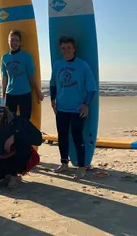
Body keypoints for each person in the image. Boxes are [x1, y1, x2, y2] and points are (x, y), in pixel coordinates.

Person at [49, 36, 97, 179]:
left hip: (77, 109)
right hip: (61, 108)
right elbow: (52, 84)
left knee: (77, 136)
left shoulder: (82, 65)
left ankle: (81, 167)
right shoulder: (58, 64)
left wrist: (86, 104)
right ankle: (64, 163)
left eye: (69, 47)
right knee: (62, 136)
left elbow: (92, 88)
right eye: (63, 48)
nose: (66, 51)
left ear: (74, 48)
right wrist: (52, 99)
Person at [0, 96, 43, 189]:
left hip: (22, 159)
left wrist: (15, 137)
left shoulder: (18, 121)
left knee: (22, 142)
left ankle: (14, 174)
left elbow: (38, 139)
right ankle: (10, 176)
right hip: (4, 160)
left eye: (0, 110)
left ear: (5, 110)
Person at [1, 29, 44, 120]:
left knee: (25, 121)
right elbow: (5, 78)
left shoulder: (26, 56)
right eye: (12, 40)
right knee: (9, 120)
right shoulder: (5, 57)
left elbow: (31, 77)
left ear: (20, 42)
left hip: (25, 93)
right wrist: (3, 95)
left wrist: (38, 92)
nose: (14, 43)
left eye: (17, 40)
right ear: (8, 41)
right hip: (10, 94)